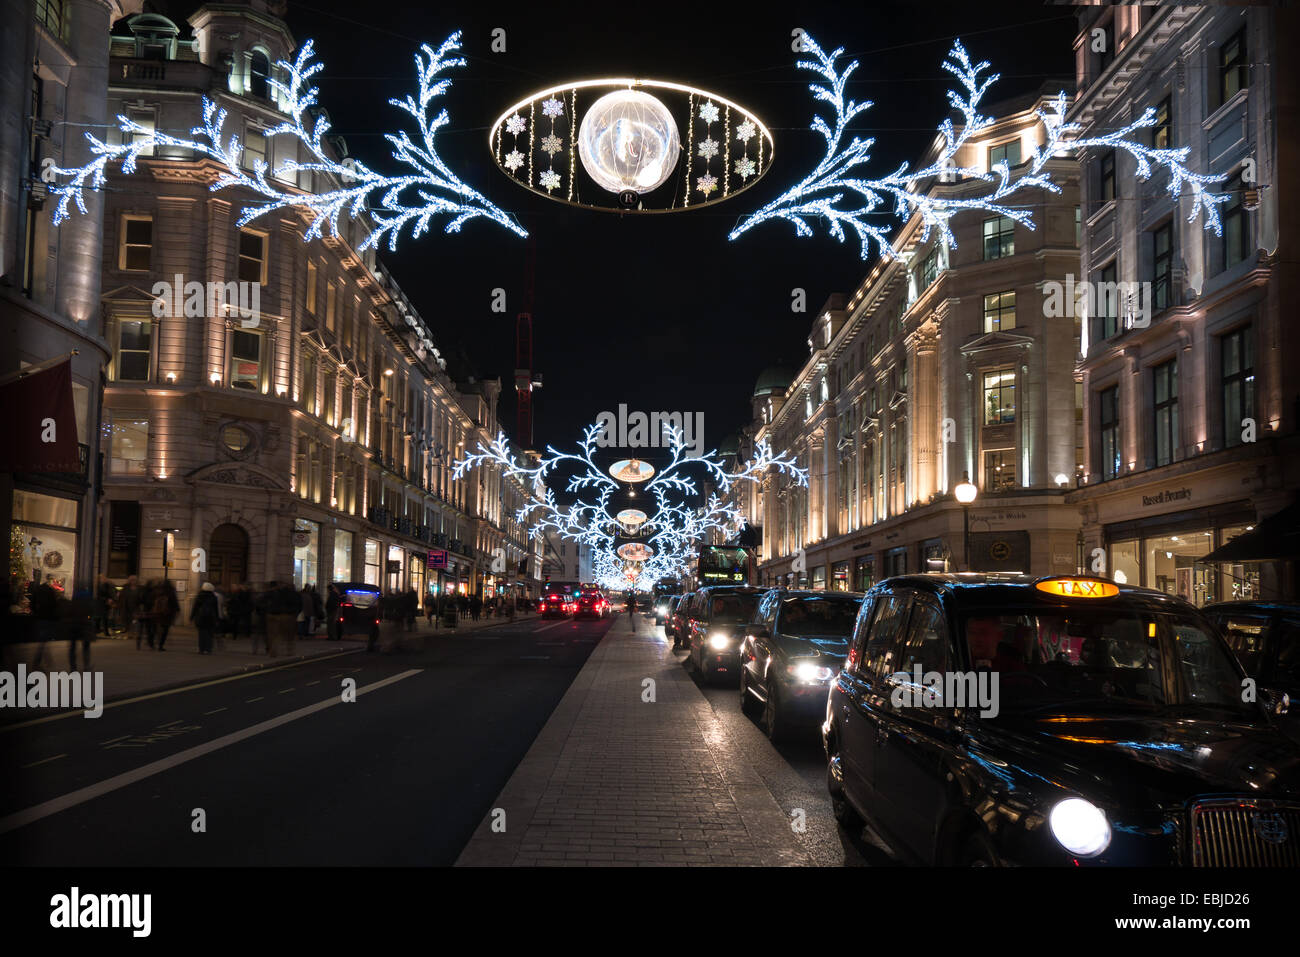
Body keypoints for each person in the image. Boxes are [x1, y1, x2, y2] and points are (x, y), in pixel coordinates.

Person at [191, 582, 220, 654]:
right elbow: (216, 609)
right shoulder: (214, 597)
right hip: (210, 618)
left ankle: (201, 649)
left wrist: (192, 616)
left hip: (201, 618)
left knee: (201, 634)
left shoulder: (199, 596)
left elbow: (195, 608)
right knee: (210, 634)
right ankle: (208, 649)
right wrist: (217, 618)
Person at [151, 580, 179, 650]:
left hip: (158, 613)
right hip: (167, 614)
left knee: (158, 628)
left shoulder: (158, 591)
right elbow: (174, 602)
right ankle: (161, 645)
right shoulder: (171, 592)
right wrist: (177, 610)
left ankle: (155, 642)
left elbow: (152, 601)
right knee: (165, 630)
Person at [119, 575, 144, 648]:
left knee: (136, 621)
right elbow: (121, 596)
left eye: (134, 580)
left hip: (136, 606)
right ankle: (129, 633)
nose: (133, 582)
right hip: (127, 606)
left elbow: (142, 597)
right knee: (128, 620)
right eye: (132, 580)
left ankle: (135, 633)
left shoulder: (140, 588)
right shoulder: (126, 588)